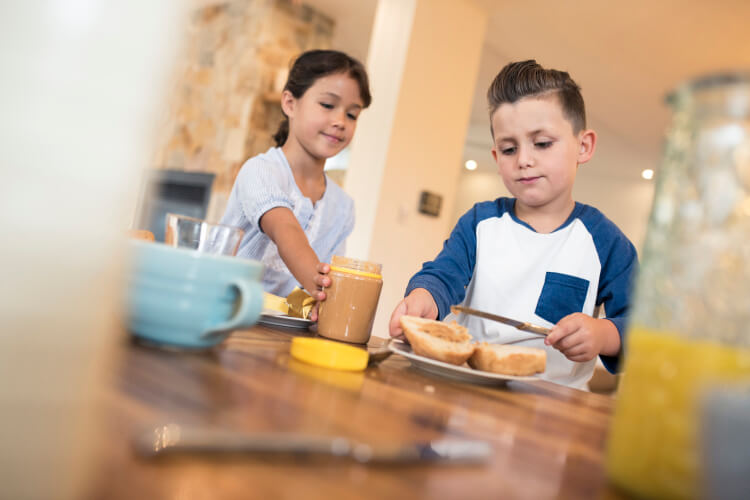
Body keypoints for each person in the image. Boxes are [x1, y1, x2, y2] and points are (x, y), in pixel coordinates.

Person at [388, 60, 637, 388]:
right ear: (496, 158)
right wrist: (423, 296)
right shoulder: (480, 222)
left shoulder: (607, 242)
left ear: (584, 146)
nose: (524, 160)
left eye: (542, 143)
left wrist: (605, 334)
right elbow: (442, 275)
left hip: (554, 414)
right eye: (509, 149)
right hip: (467, 395)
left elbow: (642, 331)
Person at [220, 50, 371, 319]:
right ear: (290, 103)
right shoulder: (260, 171)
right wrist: (327, 292)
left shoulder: (343, 208)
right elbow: (285, 229)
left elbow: (311, 282)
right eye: (327, 105)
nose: (340, 121)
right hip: (224, 313)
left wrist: (314, 305)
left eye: (352, 114)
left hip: (281, 331)